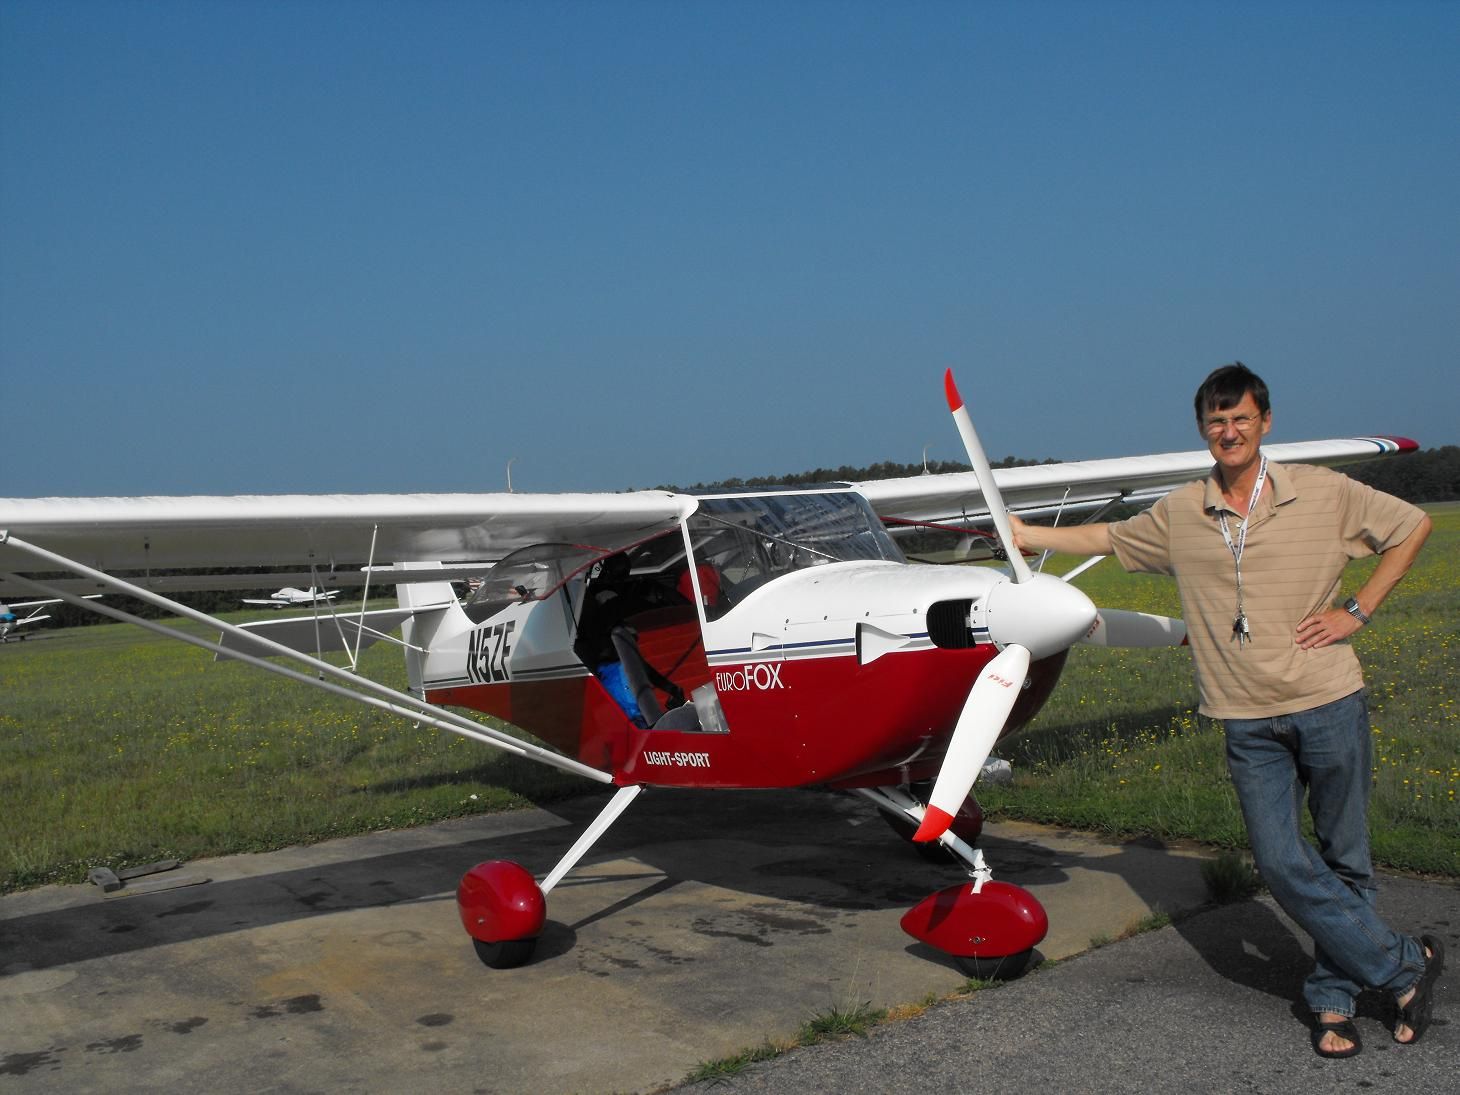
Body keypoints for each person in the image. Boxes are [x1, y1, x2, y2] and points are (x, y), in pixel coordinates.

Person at [1010, 363, 1441, 1059]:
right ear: (1202, 429)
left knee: (1344, 859)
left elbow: (1412, 525)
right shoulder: (1183, 511)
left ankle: (1333, 999)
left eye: (1241, 418)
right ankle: (1405, 965)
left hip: (1328, 699)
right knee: (1280, 860)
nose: (1229, 431)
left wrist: (1357, 610)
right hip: (1243, 717)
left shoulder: (1323, 490)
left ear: (1265, 421)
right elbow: (1111, 537)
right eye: (1216, 420)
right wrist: (1029, 534)